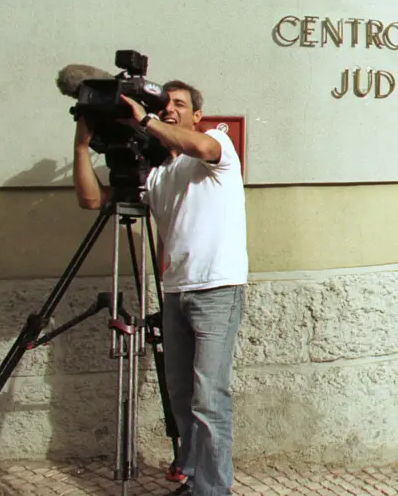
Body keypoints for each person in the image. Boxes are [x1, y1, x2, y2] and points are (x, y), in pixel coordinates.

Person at [73, 80, 248, 496]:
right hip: (176, 292)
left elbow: (200, 149)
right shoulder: (158, 174)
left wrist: (146, 119)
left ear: (197, 115)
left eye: (179, 105)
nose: (170, 109)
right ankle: (192, 477)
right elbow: (91, 200)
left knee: (209, 397)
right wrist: (82, 147)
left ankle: (213, 491)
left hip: (217, 289)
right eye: (164, 104)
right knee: (183, 396)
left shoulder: (214, 146)